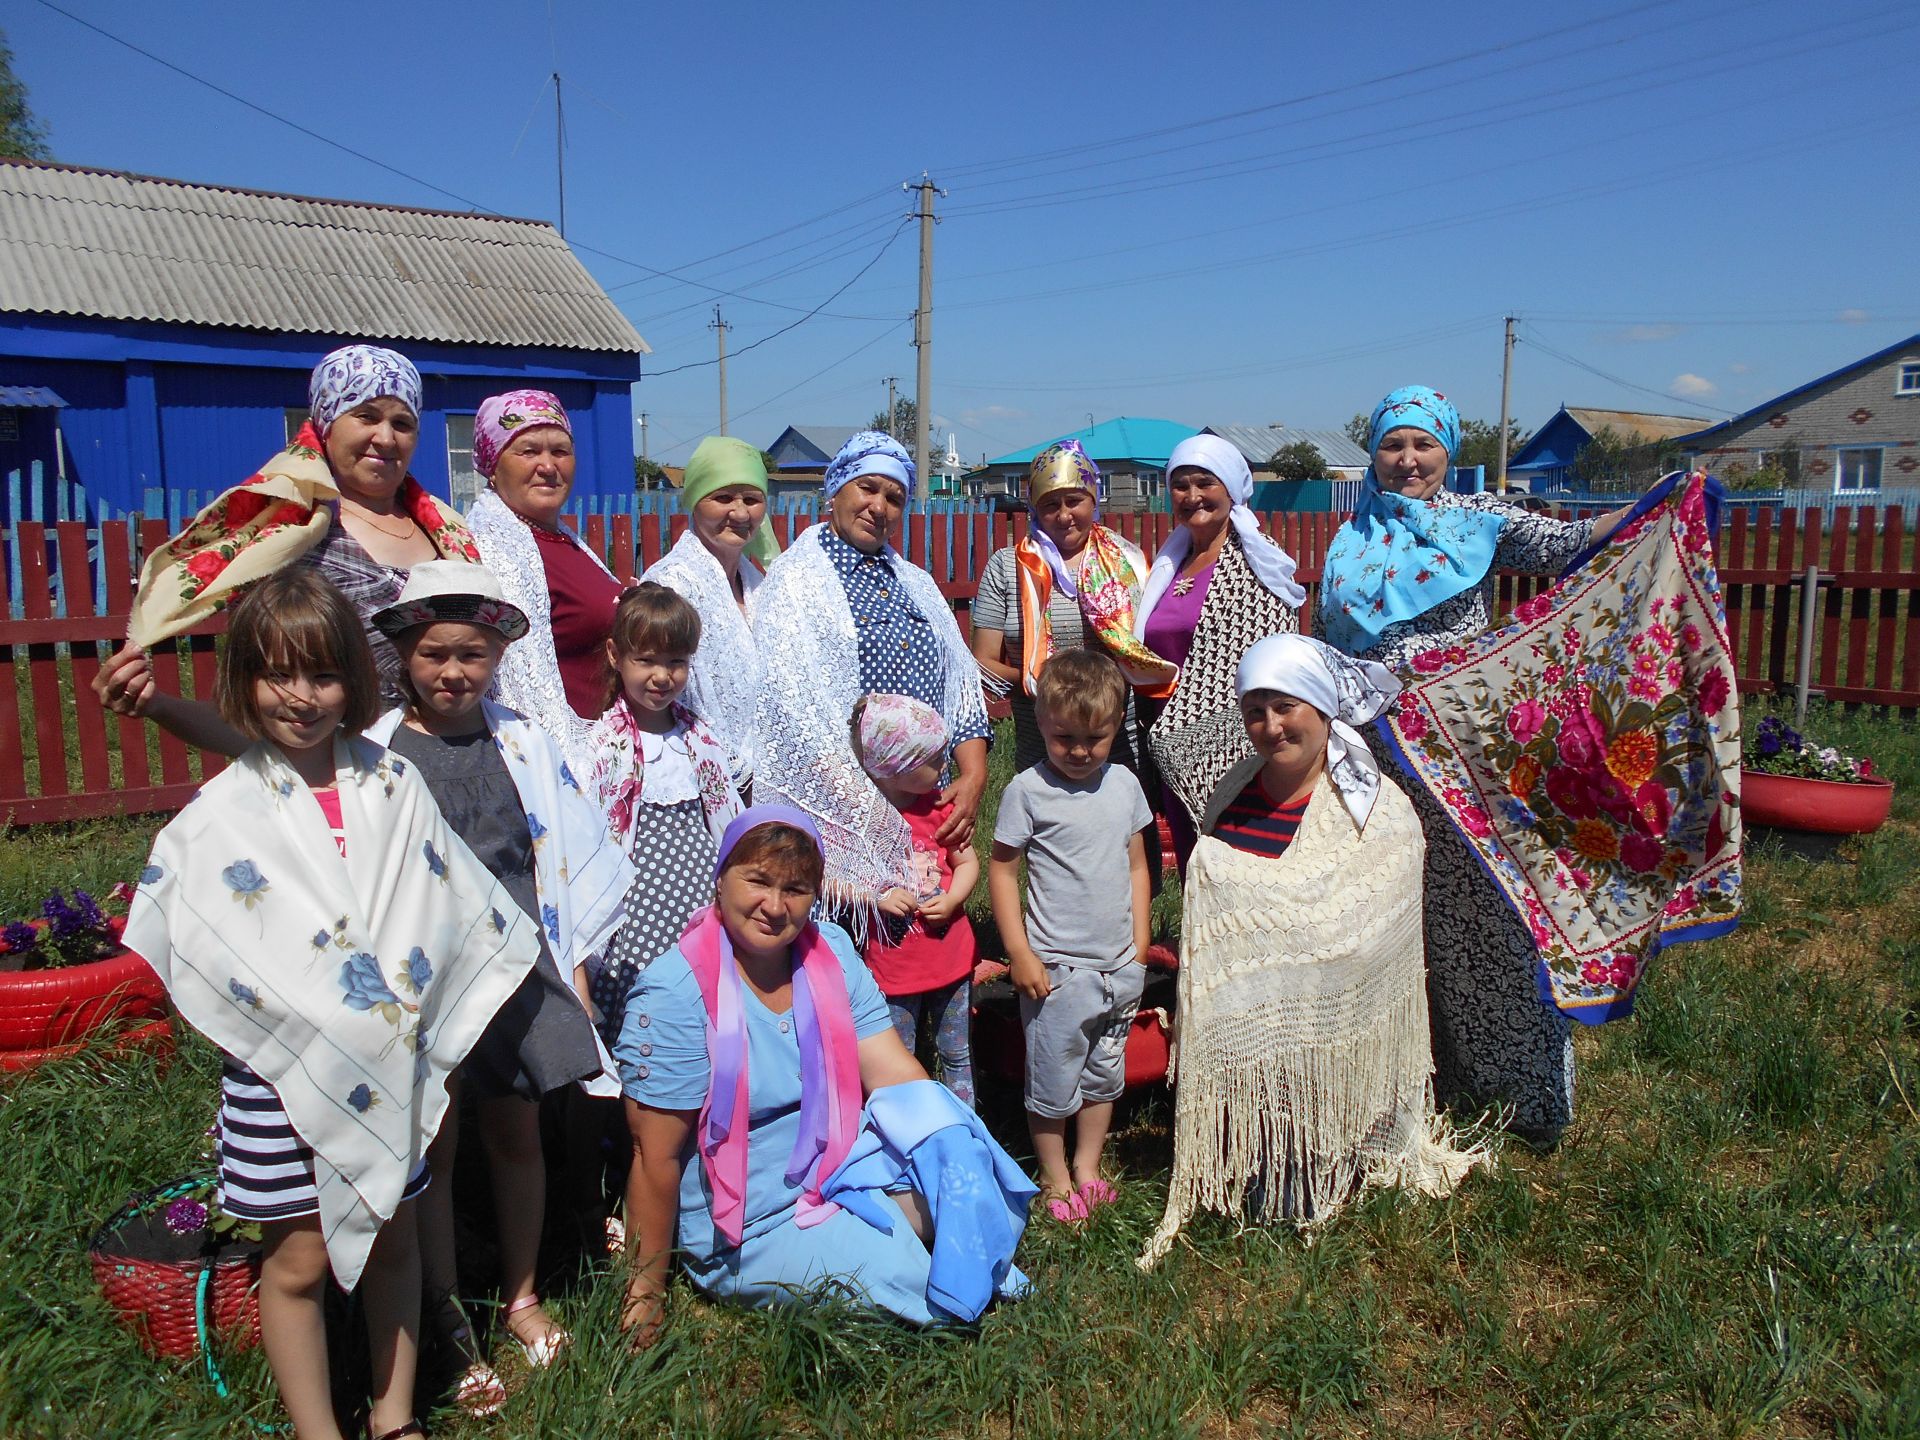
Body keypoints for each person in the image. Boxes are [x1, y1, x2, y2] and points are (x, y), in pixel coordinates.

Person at [121, 569, 543, 1440]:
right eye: (277, 675)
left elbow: (443, 908)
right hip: (278, 1080)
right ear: (243, 680)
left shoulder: (391, 786)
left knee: (393, 1238)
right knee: (298, 1259)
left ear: (354, 678)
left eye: (322, 675)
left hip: (391, 1070)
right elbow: (209, 926)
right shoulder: (226, 808)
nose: (301, 697)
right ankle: (319, 1429)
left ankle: (394, 1417)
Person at [1316, 385, 1636, 1144]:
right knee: (1395, 917)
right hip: (1373, 755)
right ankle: (1411, 1086)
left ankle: (1522, 1099)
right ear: (1374, 456)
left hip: (1462, 755)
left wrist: (1657, 501)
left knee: (1487, 916)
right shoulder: (1349, 537)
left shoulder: (1479, 520)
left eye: (1423, 445)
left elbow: (1573, 543)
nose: (1408, 460)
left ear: (1447, 453)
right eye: (1394, 445)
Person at [364, 562, 633, 1414]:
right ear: (405, 654)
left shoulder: (519, 739)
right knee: (434, 1148)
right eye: (436, 654)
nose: (454, 672)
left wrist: (574, 967)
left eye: (473, 655)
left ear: (496, 657)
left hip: (516, 964)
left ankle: (520, 1292)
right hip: (425, 978)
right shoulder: (375, 752)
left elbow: (563, 854)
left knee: (517, 1130)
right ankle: (444, 1310)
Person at [617, 807, 1035, 1339]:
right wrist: (645, 1295)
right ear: (720, 879)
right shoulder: (675, 994)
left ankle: (926, 1231)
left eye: (795, 888)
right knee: (910, 1282)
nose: (774, 905)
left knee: (970, 1167)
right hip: (752, 1219)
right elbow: (653, 1158)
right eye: (758, 881)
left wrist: (948, 1145)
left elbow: (892, 1071)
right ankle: (919, 1261)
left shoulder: (830, 950)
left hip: (840, 1163)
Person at [1139, 636, 1485, 1266]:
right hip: (1259, 1020)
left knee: (1289, 1199)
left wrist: (1268, 916)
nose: (1270, 727)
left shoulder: (1377, 811)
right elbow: (1227, 907)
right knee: (1260, 1195)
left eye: (1286, 707)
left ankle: (1331, 1135)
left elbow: (1364, 939)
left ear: (1323, 709)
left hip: (1334, 1028)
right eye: (1256, 710)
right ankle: (1258, 1129)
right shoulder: (1232, 791)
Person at [95, 345, 482, 744]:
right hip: (344, 775)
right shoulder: (288, 537)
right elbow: (252, 716)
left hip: (461, 762)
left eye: (402, 423)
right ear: (326, 423)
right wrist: (157, 704)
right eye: (366, 416)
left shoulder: (446, 531)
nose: (385, 437)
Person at [751, 431, 989, 934]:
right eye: (868, 488)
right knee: (859, 954)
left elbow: (961, 682)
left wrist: (972, 777)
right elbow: (792, 710)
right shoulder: (798, 581)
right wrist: (863, 804)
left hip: (924, 802)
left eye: (894, 497)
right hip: (848, 799)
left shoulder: (917, 584)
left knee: (931, 942)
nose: (878, 506)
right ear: (835, 490)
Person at [989, 650, 1152, 1222]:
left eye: (1096, 738)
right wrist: (1019, 952)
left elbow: (1136, 864)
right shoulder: (1027, 791)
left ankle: (1089, 1165)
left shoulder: (1125, 784)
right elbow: (1003, 870)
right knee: (1054, 1077)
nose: (1080, 752)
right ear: (1041, 724)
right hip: (1056, 971)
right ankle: (1055, 1176)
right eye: (1065, 738)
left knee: (1105, 1075)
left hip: (1119, 968)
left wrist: (1139, 939)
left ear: (1115, 728)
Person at [1132, 434, 1305, 873]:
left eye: (1204, 483)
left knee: (1234, 858)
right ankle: (1197, 939)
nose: (1192, 496)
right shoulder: (1166, 566)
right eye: (1180, 484)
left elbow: (1270, 660)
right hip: (1163, 735)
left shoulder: (1259, 566)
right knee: (1192, 858)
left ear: (1230, 488)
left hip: (1230, 737)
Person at [583, 583, 743, 1043]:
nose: (662, 676)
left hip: (701, 901)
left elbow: (724, 817)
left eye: (676, 662)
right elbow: (591, 831)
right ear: (616, 655)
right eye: (646, 660)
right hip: (637, 908)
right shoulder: (606, 743)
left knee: (703, 1004)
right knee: (644, 1007)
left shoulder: (700, 736)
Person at [969, 440, 1170, 774]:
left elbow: (1146, 651)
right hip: (1040, 752)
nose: (1064, 515)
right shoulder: (1007, 568)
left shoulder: (1127, 562)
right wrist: (1050, 689)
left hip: (1120, 753)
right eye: (1050, 504)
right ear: (1033, 507)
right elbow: (983, 662)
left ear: (1093, 500)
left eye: (1074, 501)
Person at [465, 389, 624, 771]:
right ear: (493, 463)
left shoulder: (566, 540)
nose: (548, 465)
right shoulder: (491, 549)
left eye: (560, 451)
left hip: (610, 750)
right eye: (528, 451)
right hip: (559, 760)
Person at [849, 693, 980, 1107]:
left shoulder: (938, 808)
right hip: (892, 970)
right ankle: (905, 1127)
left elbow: (968, 862)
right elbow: (829, 881)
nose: (946, 769)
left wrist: (955, 898)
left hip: (951, 959)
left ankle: (965, 1125)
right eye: (935, 761)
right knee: (896, 1060)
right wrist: (876, 897)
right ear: (894, 767)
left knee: (957, 1053)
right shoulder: (862, 821)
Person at [642, 434, 778, 795]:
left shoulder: (758, 586)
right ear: (695, 502)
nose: (739, 513)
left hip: (765, 777)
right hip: (692, 776)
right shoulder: (671, 584)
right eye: (723, 498)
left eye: (752, 499)